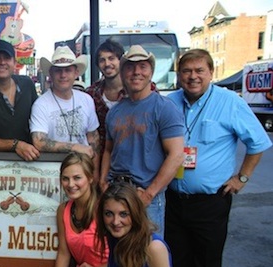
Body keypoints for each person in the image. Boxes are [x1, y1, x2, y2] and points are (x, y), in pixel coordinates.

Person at [166, 49, 272, 267]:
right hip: (174, 197)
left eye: (199, 70)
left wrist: (242, 178)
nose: (193, 76)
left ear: (211, 72)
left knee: (208, 256)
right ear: (179, 75)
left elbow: (259, 143)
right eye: (187, 71)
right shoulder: (168, 103)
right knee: (176, 252)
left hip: (211, 200)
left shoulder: (229, 103)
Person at [99, 45, 184, 236]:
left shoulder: (164, 108)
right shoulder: (115, 112)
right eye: (130, 67)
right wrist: (103, 182)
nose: (136, 72)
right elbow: (108, 150)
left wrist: (149, 194)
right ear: (123, 72)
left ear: (151, 72)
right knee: (118, 255)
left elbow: (177, 155)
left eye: (143, 66)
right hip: (116, 193)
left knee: (149, 254)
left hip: (146, 197)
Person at [41, 152, 108, 267]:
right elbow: (64, 252)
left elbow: (124, 251)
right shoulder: (63, 210)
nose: (71, 184)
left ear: (90, 178)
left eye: (77, 178)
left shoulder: (104, 207)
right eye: (65, 179)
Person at [30, 45, 100, 180]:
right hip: (53, 174)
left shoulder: (86, 100)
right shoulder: (41, 104)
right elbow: (38, 142)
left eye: (68, 70)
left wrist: (95, 175)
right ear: (51, 74)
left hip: (84, 173)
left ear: (76, 72)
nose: (63, 75)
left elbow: (93, 139)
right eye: (58, 71)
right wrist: (75, 147)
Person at [84, 39, 126, 169]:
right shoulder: (90, 94)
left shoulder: (136, 91)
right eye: (102, 60)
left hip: (127, 162)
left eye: (111, 58)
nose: (107, 64)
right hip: (98, 162)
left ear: (121, 61)